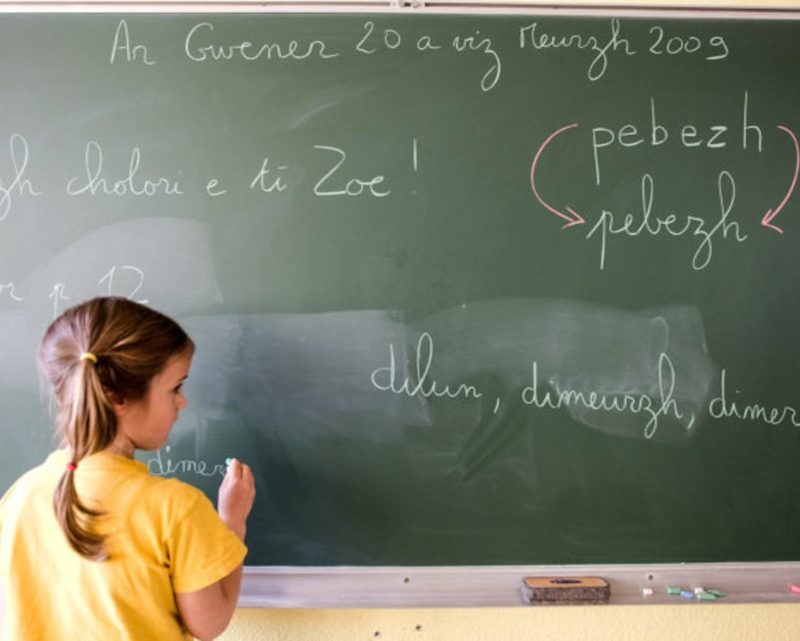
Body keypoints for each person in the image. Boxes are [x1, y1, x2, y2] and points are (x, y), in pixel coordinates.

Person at [0, 297, 256, 641]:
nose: (183, 402)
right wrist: (232, 524)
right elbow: (208, 624)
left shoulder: (19, 496)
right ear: (116, 397)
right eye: (175, 388)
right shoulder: (175, 508)